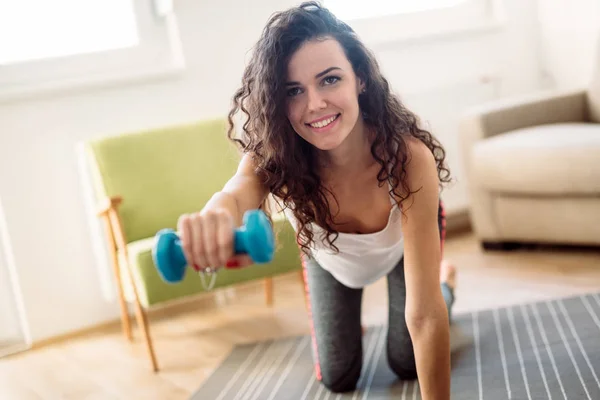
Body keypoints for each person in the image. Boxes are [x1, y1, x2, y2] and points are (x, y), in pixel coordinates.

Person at [177, 2, 457, 398]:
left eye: (329, 80)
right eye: (294, 90)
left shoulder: (407, 158)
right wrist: (215, 214)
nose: (315, 104)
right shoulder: (274, 158)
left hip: (402, 250)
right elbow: (237, 192)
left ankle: (445, 281)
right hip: (331, 261)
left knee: (407, 359)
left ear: (359, 78)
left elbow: (426, 317)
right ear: (277, 101)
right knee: (338, 377)